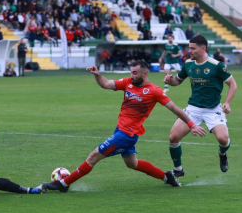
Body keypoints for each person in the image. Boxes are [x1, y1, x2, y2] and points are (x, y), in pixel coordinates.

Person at [40, 61, 207, 192]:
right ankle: (166, 177)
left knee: (93, 156)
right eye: (131, 72)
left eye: (135, 73)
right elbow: (106, 84)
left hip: (127, 135)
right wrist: (98, 75)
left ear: (145, 73)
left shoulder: (154, 91)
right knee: (131, 163)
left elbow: (175, 109)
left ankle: (63, 183)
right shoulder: (128, 83)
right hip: (120, 130)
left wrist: (191, 124)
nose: (132, 75)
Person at [164, 35, 237, 177]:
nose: (189, 51)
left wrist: (227, 103)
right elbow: (177, 81)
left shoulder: (217, 66)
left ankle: (222, 153)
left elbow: (233, 84)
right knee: (173, 137)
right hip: (193, 109)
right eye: (189, 48)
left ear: (203, 49)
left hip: (213, 109)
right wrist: (170, 80)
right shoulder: (188, 64)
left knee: (223, 139)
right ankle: (178, 169)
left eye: (192, 48)